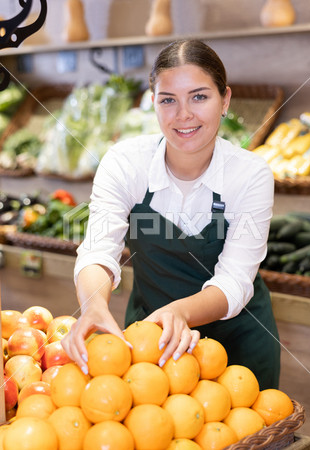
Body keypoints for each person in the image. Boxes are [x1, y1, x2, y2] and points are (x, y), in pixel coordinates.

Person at [62, 39, 280, 390]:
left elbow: (235, 281)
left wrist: (181, 312)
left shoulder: (250, 174)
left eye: (199, 96)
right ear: (153, 103)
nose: (183, 115)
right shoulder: (125, 162)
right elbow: (98, 249)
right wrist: (92, 304)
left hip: (237, 348)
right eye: (168, 100)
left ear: (224, 100)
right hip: (152, 342)